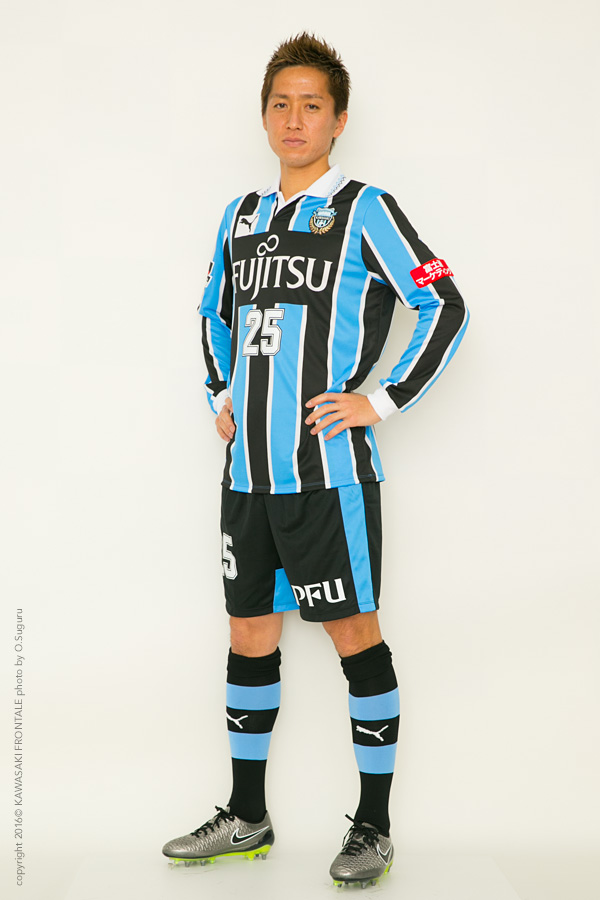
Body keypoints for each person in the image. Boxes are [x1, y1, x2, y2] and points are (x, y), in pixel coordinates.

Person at [162, 32, 469, 888]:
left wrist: (382, 400)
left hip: (329, 477)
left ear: (338, 119)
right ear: (263, 116)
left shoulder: (367, 210)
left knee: (354, 636)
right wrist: (221, 393)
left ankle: (374, 827)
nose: (294, 119)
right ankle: (247, 817)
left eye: (312, 105)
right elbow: (213, 314)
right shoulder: (241, 217)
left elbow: (443, 305)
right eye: (280, 104)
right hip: (247, 477)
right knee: (249, 635)